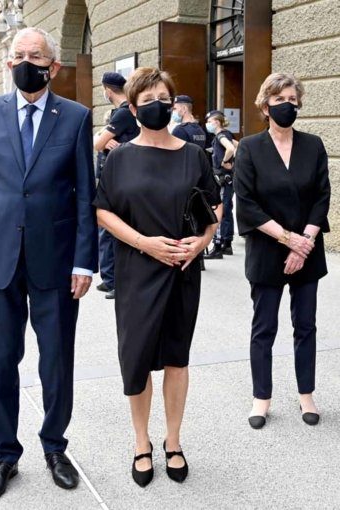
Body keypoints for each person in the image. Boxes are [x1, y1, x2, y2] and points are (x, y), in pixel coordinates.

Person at [0, 27, 98, 502]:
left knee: (57, 361)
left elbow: (84, 196)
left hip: (56, 261)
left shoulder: (76, 117)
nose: (25, 62)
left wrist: (85, 261)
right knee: (2, 361)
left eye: (35, 56)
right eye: (17, 55)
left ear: (53, 66)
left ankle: (55, 447)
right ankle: (5, 454)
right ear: (6, 63)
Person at [94, 67, 221, 487]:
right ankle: (141, 442)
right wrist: (144, 242)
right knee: (136, 361)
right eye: (146, 101)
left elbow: (214, 208)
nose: (156, 106)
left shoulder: (194, 155)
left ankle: (173, 440)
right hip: (136, 269)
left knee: (176, 358)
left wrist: (201, 243)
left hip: (183, 269)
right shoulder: (119, 157)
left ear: (173, 103)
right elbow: (103, 210)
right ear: (131, 108)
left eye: (163, 99)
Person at [234, 73, 331, 429]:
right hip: (268, 249)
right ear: (265, 106)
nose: (287, 105)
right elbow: (246, 204)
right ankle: (262, 397)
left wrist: (303, 244)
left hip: (307, 248)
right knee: (265, 327)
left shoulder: (313, 145)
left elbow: (322, 196)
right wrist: (289, 240)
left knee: (305, 325)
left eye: (292, 98)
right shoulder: (249, 148)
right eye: (279, 99)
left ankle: (306, 393)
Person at [94, 71, 140, 299]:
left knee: (110, 229)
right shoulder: (122, 113)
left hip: (119, 178)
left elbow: (97, 143)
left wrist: (101, 137)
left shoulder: (123, 114)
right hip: (117, 176)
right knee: (107, 230)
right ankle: (110, 277)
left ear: (108, 90)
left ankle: (114, 280)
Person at [204, 110, 238, 259]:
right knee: (227, 209)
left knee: (220, 209)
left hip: (222, 177)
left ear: (217, 122)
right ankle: (227, 243)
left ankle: (217, 246)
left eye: (210, 122)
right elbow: (239, 146)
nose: (208, 125)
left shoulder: (220, 135)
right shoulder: (228, 133)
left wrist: (225, 162)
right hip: (228, 177)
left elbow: (230, 148)